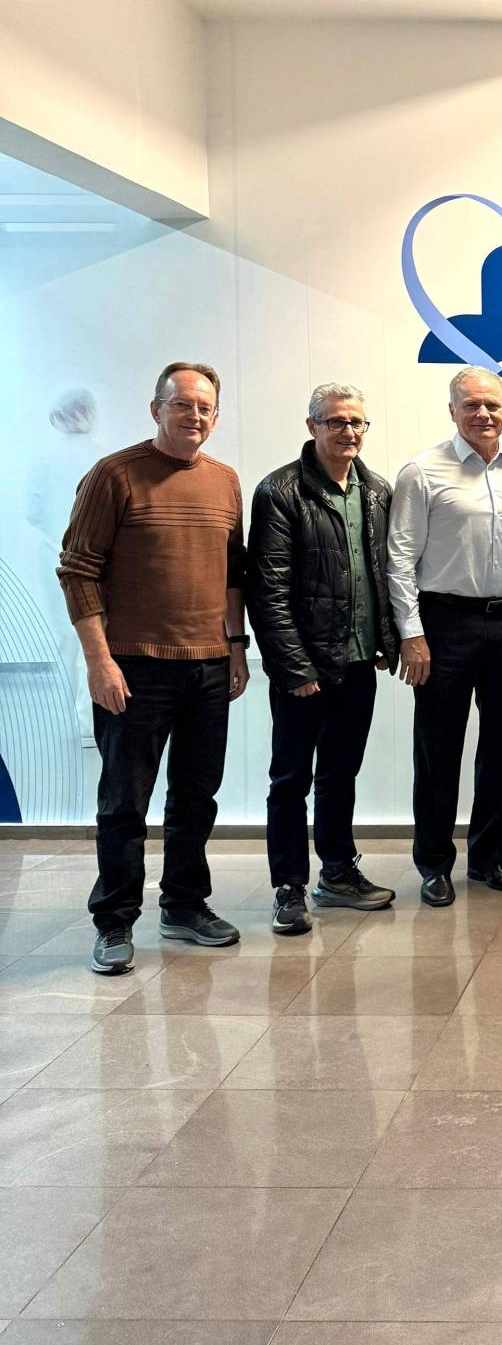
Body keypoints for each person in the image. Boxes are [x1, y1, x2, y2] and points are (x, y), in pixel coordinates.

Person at [57, 362, 249, 974]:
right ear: (155, 408)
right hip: (134, 668)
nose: (194, 416)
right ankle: (114, 923)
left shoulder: (225, 482)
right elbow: (77, 570)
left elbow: (232, 574)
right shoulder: (114, 475)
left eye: (205, 408)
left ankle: (185, 906)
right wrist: (99, 662)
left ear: (215, 417)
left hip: (209, 667)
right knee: (124, 803)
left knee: (196, 797)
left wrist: (237, 647)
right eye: (182, 404)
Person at [246, 383, 400, 935]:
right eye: (336, 421)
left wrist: (388, 640)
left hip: (358, 663)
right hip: (304, 668)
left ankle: (336, 872)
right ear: (312, 426)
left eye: (357, 422)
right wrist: (294, 668)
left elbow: (384, 573)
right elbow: (267, 590)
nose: (348, 432)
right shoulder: (280, 491)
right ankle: (288, 887)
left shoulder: (378, 491)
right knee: (290, 778)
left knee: (342, 773)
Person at [387, 368, 502, 907]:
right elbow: (400, 559)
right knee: (437, 749)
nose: (484, 415)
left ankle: (490, 857)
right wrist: (412, 635)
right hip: (444, 625)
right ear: (452, 410)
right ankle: (433, 863)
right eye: (472, 405)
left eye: (493, 406)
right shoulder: (423, 472)